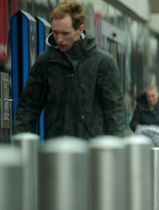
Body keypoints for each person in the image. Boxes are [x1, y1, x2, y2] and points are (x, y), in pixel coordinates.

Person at [14, 1, 124, 139]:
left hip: (93, 152)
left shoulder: (103, 62)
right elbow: (28, 109)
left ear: (80, 29)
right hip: (56, 150)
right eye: (55, 32)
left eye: (65, 33)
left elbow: (114, 112)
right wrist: (23, 147)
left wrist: (114, 153)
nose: (59, 39)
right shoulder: (45, 62)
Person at [129, 85, 159, 154]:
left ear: (158, 95)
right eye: (148, 96)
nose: (150, 99)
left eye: (153, 96)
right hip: (145, 145)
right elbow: (133, 122)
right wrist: (136, 126)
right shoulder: (140, 106)